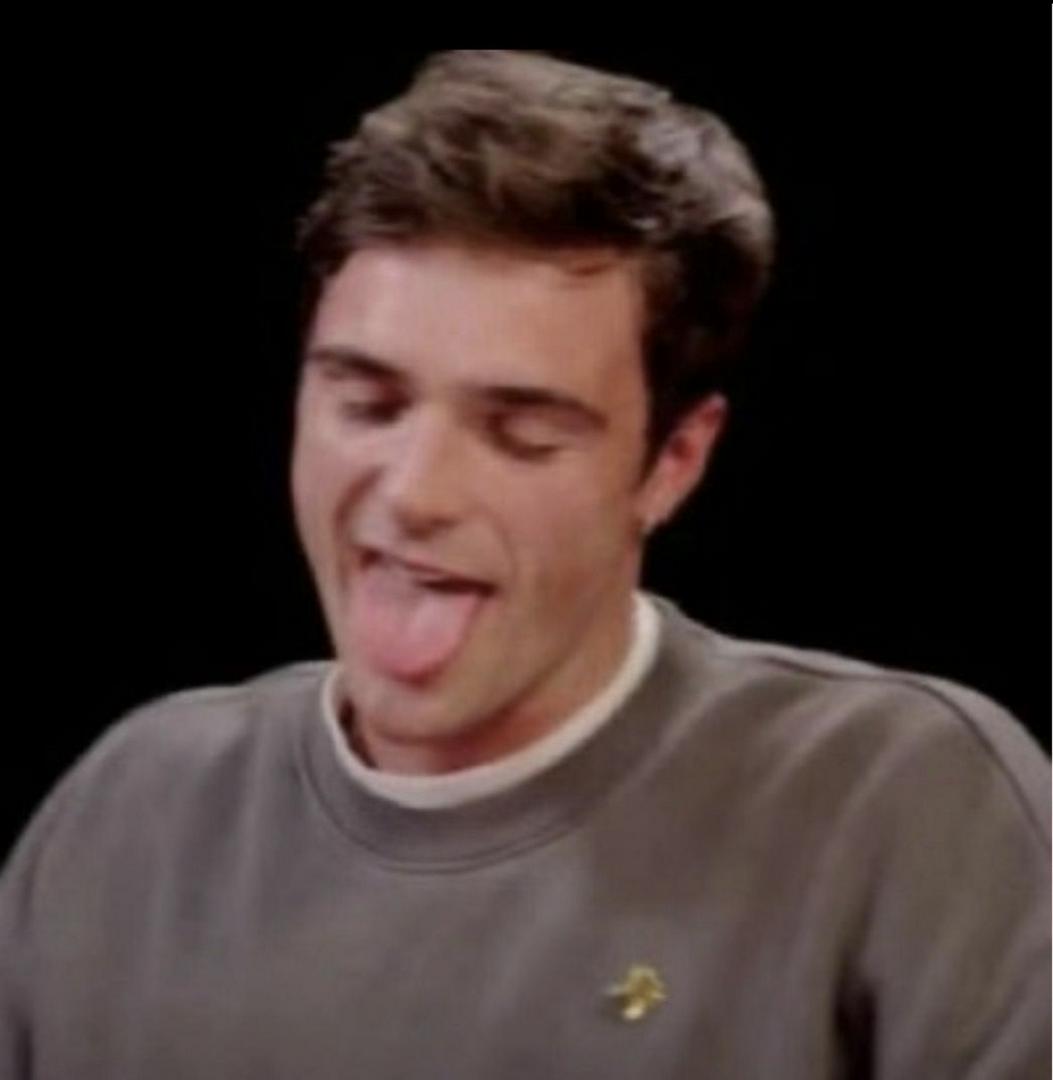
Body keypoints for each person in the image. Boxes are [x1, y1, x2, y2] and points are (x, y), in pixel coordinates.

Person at [1, 50, 1048, 1079]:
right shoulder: (129, 811)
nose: (414, 491)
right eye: (366, 404)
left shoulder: (905, 810)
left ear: (672, 463)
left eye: (522, 434)